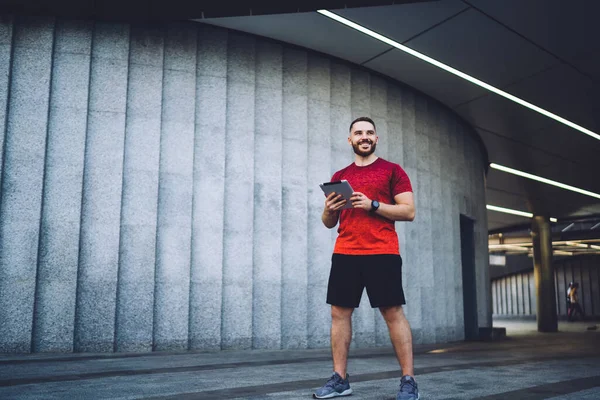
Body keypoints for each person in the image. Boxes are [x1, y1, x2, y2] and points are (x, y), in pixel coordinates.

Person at [313, 117, 419, 400]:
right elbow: (328, 223)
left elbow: (408, 211)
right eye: (358, 133)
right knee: (339, 314)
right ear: (350, 139)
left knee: (392, 312)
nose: (364, 136)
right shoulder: (340, 176)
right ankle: (340, 379)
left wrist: (373, 205)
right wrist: (328, 208)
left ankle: (408, 380)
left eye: (369, 132)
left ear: (376, 138)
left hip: (382, 251)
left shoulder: (392, 170)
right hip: (346, 252)